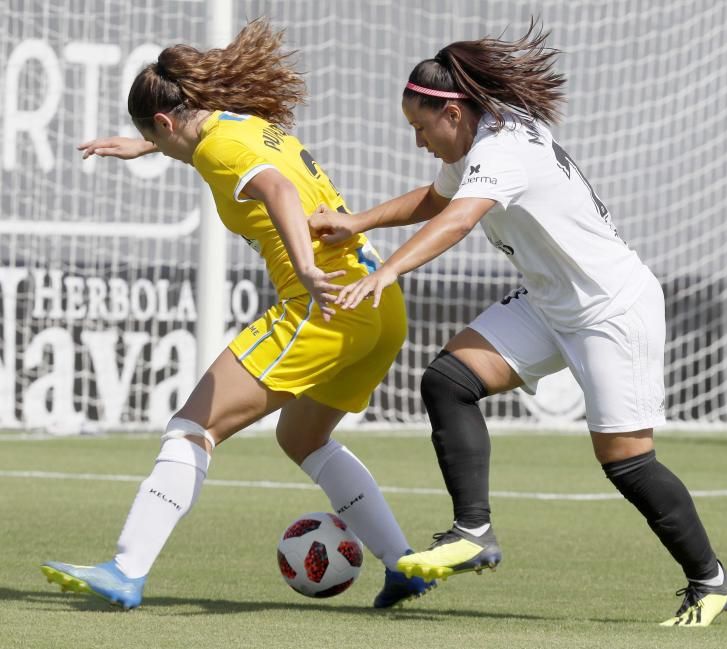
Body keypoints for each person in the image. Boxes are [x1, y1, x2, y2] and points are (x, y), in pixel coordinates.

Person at [308, 22, 727, 627]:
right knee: (448, 381)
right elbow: (436, 201)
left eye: (420, 127)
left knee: (626, 460)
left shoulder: (501, 148)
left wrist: (390, 271)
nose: (418, 141)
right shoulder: (483, 135)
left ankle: (710, 581)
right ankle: (473, 531)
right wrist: (357, 223)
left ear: (452, 113)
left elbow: (456, 222)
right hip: (548, 303)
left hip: (611, 308)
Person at [39, 19, 434, 610]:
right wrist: (143, 144)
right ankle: (402, 565)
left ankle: (126, 568)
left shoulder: (219, 146)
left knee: (192, 428)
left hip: (322, 304)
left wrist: (302, 267)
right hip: (377, 305)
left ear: (169, 121)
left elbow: (274, 188)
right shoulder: (236, 124)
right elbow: (225, 154)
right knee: (303, 437)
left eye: (157, 137)